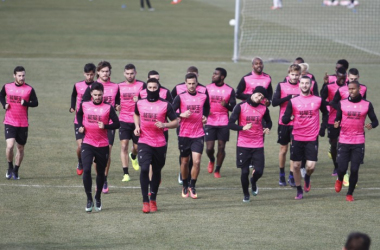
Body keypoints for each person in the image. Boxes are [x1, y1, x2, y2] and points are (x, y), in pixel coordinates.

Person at [134, 78, 178, 213]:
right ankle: (145, 201)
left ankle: (153, 198)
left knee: (157, 171)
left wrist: (165, 125)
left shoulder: (165, 104)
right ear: (146, 89)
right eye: (150, 88)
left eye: (155, 88)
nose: (152, 90)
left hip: (159, 143)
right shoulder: (140, 103)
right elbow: (135, 114)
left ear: (159, 89)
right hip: (144, 141)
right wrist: (137, 126)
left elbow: (176, 122)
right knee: (145, 168)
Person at [282, 76, 328, 200]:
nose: (304, 85)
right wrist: (287, 119)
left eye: (307, 83)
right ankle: (299, 190)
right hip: (297, 137)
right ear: (299, 85)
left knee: (311, 166)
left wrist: (323, 128)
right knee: (296, 165)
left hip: (312, 137)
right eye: (302, 83)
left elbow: (326, 113)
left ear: (311, 85)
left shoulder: (318, 100)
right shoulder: (293, 101)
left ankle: (307, 177)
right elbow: (285, 118)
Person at [76, 82, 120, 212]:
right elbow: (78, 115)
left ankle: (98, 196)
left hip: (102, 145)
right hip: (88, 143)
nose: (97, 97)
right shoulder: (84, 105)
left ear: (103, 94)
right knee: (87, 170)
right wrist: (80, 126)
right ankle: (89, 199)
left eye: (99, 95)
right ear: (91, 94)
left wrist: (106, 126)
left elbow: (117, 123)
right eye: (95, 95)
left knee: (101, 173)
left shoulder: (108, 107)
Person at [334, 81, 378, 202]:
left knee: (354, 169)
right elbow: (337, 119)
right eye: (349, 89)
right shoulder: (342, 103)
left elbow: (375, 121)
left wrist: (371, 125)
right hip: (344, 140)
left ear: (359, 89)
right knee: (342, 168)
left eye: (353, 89)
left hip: (358, 141)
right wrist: (336, 124)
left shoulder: (367, 104)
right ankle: (339, 178)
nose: (351, 91)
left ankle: (349, 193)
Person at [228, 87, 272, 202]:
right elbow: (230, 124)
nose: (259, 98)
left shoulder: (263, 109)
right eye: (258, 95)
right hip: (243, 144)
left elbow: (269, 121)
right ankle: (246, 194)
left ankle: (253, 181)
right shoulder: (240, 106)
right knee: (244, 172)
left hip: (258, 144)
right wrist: (242, 127)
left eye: (262, 97)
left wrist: (268, 128)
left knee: (259, 171)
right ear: (252, 94)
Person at [82, 61, 120, 194]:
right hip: (92, 126)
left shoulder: (115, 86)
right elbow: (83, 105)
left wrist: (117, 107)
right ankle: (99, 175)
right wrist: (82, 125)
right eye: (103, 71)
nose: (105, 73)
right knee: (94, 154)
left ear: (110, 72)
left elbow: (118, 101)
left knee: (108, 151)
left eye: (107, 71)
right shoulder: (92, 87)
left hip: (108, 125)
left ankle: (104, 178)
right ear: (98, 72)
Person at [172, 73, 210, 199]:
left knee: (197, 161)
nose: (192, 86)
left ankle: (192, 185)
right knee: (185, 161)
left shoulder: (204, 96)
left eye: (194, 83)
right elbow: (171, 112)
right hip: (184, 134)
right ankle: (185, 184)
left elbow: (207, 109)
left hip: (198, 134)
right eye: (189, 83)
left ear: (197, 83)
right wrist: (181, 114)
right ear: (185, 83)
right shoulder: (180, 97)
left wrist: (205, 117)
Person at [330, 68, 367, 186]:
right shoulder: (341, 89)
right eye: (351, 79)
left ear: (359, 78)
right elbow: (333, 102)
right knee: (338, 145)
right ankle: (342, 172)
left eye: (355, 79)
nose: (353, 80)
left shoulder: (363, 88)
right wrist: (344, 109)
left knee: (356, 150)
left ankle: (352, 171)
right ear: (347, 78)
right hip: (343, 122)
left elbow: (364, 102)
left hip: (357, 124)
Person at [0, 66, 38, 180]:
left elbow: (36, 102)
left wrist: (26, 103)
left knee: (20, 148)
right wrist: (4, 104)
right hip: (9, 121)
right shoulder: (7, 86)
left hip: (22, 124)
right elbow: (1, 95)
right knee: (10, 146)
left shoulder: (29, 89)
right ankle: (10, 167)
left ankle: (16, 170)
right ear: (14, 76)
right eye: (19, 75)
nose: (22, 78)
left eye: (23, 75)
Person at [272, 64, 302, 187]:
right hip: (283, 122)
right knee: (283, 149)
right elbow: (274, 102)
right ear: (288, 74)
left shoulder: (303, 86)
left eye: (297, 75)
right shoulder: (281, 85)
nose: (294, 77)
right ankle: (281, 174)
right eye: (292, 74)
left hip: (298, 123)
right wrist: (288, 98)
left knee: (294, 150)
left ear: (300, 75)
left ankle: (291, 175)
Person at [205, 68, 236, 178]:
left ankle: (217, 169)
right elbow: (202, 102)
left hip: (223, 121)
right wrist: (205, 112)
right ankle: (212, 159)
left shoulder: (229, 90)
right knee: (209, 148)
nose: (213, 75)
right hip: (210, 121)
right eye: (213, 73)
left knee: (221, 147)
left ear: (222, 77)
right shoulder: (207, 88)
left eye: (216, 74)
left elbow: (233, 108)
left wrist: (226, 105)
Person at [118, 64, 145, 182]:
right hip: (123, 120)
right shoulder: (119, 86)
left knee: (137, 147)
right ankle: (126, 173)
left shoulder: (142, 85)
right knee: (124, 145)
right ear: (124, 74)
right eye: (127, 73)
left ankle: (133, 156)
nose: (129, 76)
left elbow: (147, 100)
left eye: (132, 73)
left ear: (135, 73)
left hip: (137, 121)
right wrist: (116, 106)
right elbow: (115, 101)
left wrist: (140, 101)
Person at [69, 63, 96, 176]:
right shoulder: (78, 85)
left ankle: (87, 168)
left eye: (91, 74)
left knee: (90, 147)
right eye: (87, 74)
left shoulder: (97, 86)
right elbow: (73, 95)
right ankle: (80, 162)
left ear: (95, 74)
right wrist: (72, 106)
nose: (89, 77)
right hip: (79, 120)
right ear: (84, 74)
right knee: (81, 146)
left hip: (91, 121)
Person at [320, 67, 347, 176]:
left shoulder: (349, 87)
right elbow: (321, 99)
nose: (342, 80)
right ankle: (336, 166)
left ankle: (342, 167)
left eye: (344, 78)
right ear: (336, 76)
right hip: (332, 119)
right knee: (334, 145)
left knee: (343, 145)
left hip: (346, 120)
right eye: (340, 78)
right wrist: (329, 104)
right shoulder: (329, 87)